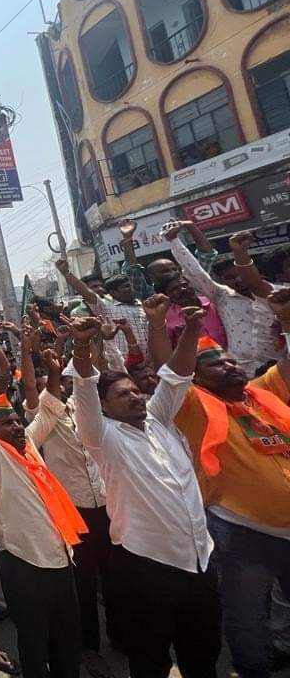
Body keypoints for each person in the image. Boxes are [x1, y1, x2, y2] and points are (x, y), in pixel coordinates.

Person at [64, 312, 221, 678]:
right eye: (123, 395)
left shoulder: (159, 419)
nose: (135, 396)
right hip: (146, 567)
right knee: (150, 661)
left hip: (199, 561)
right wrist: (83, 345)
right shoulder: (102, 437)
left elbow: (177, 374)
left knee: (203, 656)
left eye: (136, 390)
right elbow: (85, 388)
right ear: (104, 407)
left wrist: (192, 327)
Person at [148, 290, 290, 678]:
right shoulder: (193, 404)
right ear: (196, 376)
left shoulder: (261, 394)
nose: (227, 365)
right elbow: (170, 372)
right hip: (243, 532)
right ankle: (253, 668)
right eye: (214, 364)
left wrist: (288, 320)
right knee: (246, 615)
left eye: (229, 358)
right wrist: (166, 326)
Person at [0, 335, 84, 678]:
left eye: (17, 421)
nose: (17, 426)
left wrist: (56, 372)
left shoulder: (29, 445)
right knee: (34, 647)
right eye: (8, 423)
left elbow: (48, 408)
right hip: (24, 566)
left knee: (67, 643)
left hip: (62, 561)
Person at [19, 331, 112, 654]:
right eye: (51, 384)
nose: (57, 386)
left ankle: (121, 635)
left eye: (61, 380)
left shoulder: (84, 408)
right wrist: (26, 349)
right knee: (82, 582)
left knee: (114, 576)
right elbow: (31, 386)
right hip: (73, 507)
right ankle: (89, 645)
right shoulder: (42, 415)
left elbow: (95, 371)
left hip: (105, 501)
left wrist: (91, 339)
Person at [166, 223, 281, 375]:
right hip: (243, 373)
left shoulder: (278, 294)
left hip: (281, 368)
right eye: (230, 278)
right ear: (222, 280)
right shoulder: (222, 297)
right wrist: (174, 240)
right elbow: (196, 273)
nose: (238, 280)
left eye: (240, 274)